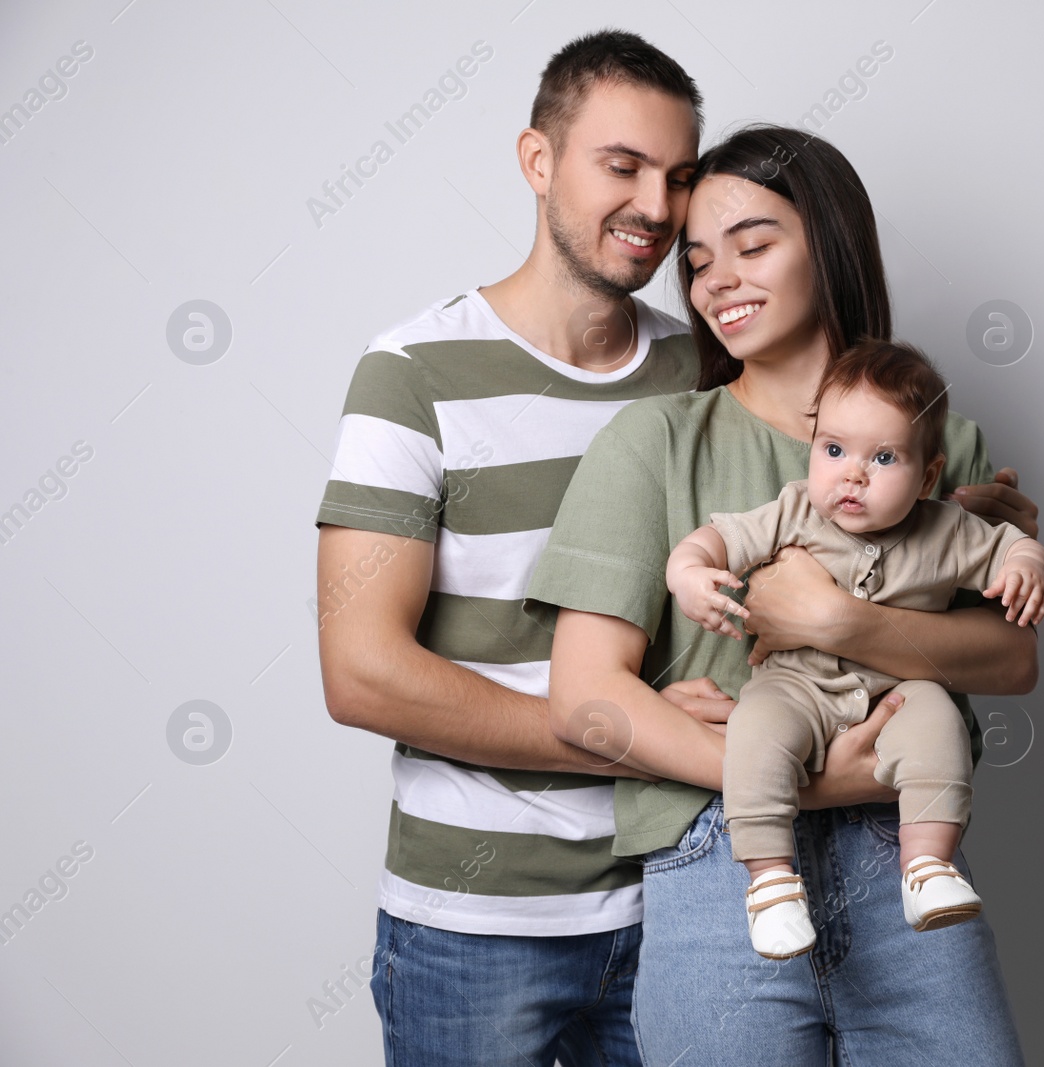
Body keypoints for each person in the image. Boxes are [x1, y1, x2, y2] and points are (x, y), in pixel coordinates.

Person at [528, 124, 1039, 1065]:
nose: (718, 278)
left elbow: (1011, 658)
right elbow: (585, 697)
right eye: (698, 260)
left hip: (907, 852)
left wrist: (838, 620)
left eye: (754, 244)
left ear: (832, 243)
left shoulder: (941, 443)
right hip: (720, 861)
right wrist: (804, 778)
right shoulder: (655, 445)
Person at [313, 30, 729, 1067]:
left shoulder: (707, 370)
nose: (655, 207)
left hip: (686, 904)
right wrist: (620, 730)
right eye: (620, 165)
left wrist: (961, 515)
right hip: (471, 928)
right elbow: (362, 670)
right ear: (537, 162)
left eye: (677, 177)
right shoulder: (414, 370)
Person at [665, 339, 1044, 959]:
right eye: (835, 449)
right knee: (756, 730)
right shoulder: (795, 509)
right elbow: (716, 539)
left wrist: (1028, 563)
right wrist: (688, 572)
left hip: (894, 690)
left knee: (937, 721)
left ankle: (926, 867)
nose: (853, 474)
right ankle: (769, 883)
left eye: (884, 457)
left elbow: (1010, 545)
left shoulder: (945, 528)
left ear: (928, 475)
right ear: (813, 446)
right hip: (796, 685)